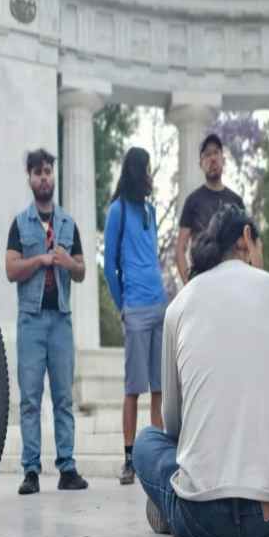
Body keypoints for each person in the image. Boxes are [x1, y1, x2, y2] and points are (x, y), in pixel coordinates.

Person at [133, 206, 269, 537]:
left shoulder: (179, 305)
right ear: (246, 238)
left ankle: (171, 502)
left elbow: (174, 423)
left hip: (200, 522)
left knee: (145, 442)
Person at [6, 149, 89, 495]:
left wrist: (68, 261)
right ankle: (31, 470)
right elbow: (10, 270)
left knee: (63, 397)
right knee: (30, 398)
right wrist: (39, 260)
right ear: (29, 178)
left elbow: (82, 271)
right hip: (31, 319)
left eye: (49, 172)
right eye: (38, 172)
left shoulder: (68, 224)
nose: (44, 178)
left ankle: (67, 467)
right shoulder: (20, 224)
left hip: (61, 319)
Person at [103, 148, 168, 487]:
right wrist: (123, 304)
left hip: (160, 304)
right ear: (135, 171)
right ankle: (129, 458)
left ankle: (154, 456)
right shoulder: (117, 212)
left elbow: (152, 257)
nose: (150, 176)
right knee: (133, 388)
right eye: (146, 169)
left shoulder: (151, 211)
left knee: (160, 387)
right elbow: (109, 266)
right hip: (136, 309)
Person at [175, 133, 245, 284]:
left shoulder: (236, 201)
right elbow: (180, 248)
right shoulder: (192, 201)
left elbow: (248, 242)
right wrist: (189, 284)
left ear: (223, 159)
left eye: (216, 153)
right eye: (207, 154)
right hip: (203, 279)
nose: (212, 158)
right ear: (201, 163)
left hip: (232, 280)